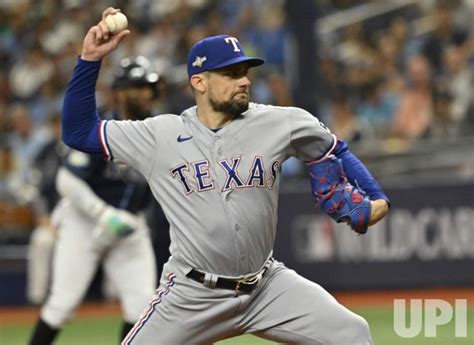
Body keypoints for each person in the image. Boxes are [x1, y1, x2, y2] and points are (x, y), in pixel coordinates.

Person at [60, 8, 390, 344]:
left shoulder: (280, 122)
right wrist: (90, 60)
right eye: (231, 73)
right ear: (199, 81)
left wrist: (377, 196)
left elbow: (335, 149)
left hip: (267, 287)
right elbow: (78, 131)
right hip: (191, 294)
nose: (244, 80)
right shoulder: (160, 135)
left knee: (352, 332)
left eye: (245, 72)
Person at [28, 55, 160, 345]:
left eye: (147, 87)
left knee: (141, 308)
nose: (143, 94)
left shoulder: (159, 131)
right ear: (118, 92)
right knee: (62, 305)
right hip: (85, 221)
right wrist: (103, 213)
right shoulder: (100, 127)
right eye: (135, 87)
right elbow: (67, 180)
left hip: (130, 226)